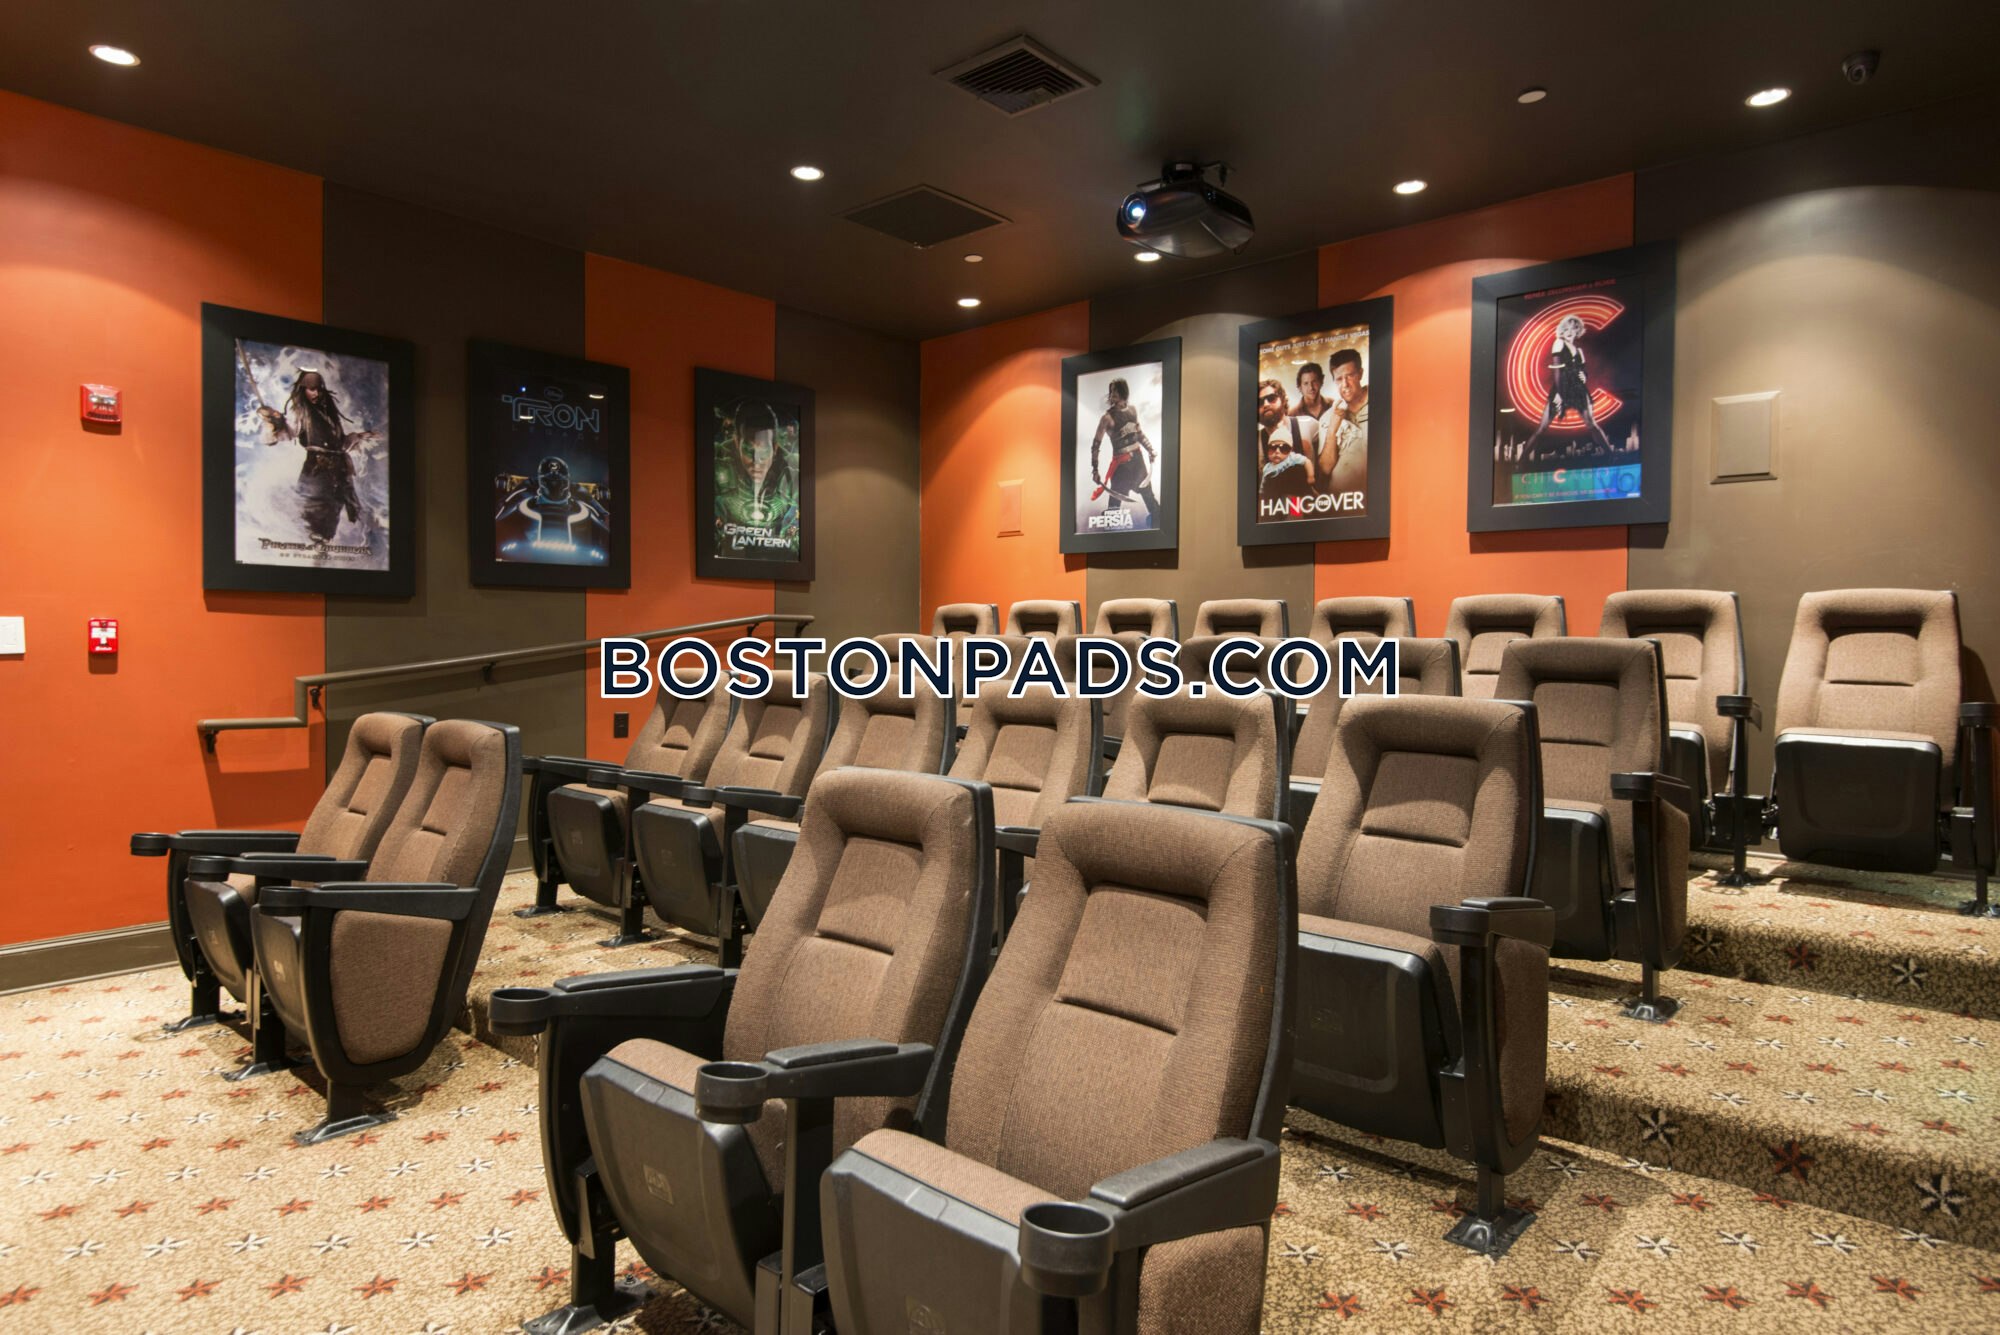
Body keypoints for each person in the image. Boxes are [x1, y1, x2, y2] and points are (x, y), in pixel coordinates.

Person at [258, 368, 376, 543]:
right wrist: (273, 424)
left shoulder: (329, 414)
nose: (316, 393)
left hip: (338, 474)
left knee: (332, 516)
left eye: (319, 389)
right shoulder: (300, 412)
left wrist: (358, 436)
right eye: (311, 389)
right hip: (317, 472)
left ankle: (323, 551)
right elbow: (285, 433)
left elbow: (341, 445)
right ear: (303, 389)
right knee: (315, 517)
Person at [713, 400, 800, 556]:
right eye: (748, 451)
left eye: (763, 452)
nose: (757, 461)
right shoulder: (719, 462)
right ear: (737, 443)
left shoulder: (793, 471)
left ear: (775, 448)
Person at [1521, 314, 1614, 457]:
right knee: (1542, 428)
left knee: (1591, 424)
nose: (1570, 331)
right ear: (1562, 330)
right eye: (1567, 328)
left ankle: (1611, 456)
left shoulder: (1579, 350)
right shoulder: (1559, 342)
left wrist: (1584, 376)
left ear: (1578, 331)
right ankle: (1521, 462)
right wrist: (1559, 393)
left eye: (1574, 328)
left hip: (1578, 389)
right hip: (1562, 387)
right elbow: (1557, 370)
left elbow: (1583, 370)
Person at [495, 455, 611, 563]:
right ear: (541, 480)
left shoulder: (578, 492)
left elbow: (602, 514)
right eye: (549, 480)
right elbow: (504, 505)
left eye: (559, 480)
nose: (554, 484)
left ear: (567, 480)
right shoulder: (527, 488)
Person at [1087, 377, 1160, 525]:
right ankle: (1111, 535)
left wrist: (1150, 449)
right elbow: (1096, 445)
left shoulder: (1132, 410)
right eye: (1111, 390)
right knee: (1114, 508)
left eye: (1115, 390)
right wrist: (1095, 469)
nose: (1112, 393)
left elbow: (1139, 434)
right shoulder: (1107, 418)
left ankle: (1158, 526)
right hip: (1121, 467)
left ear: (1123, 391)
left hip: (1138, 463)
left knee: (1150, 499)